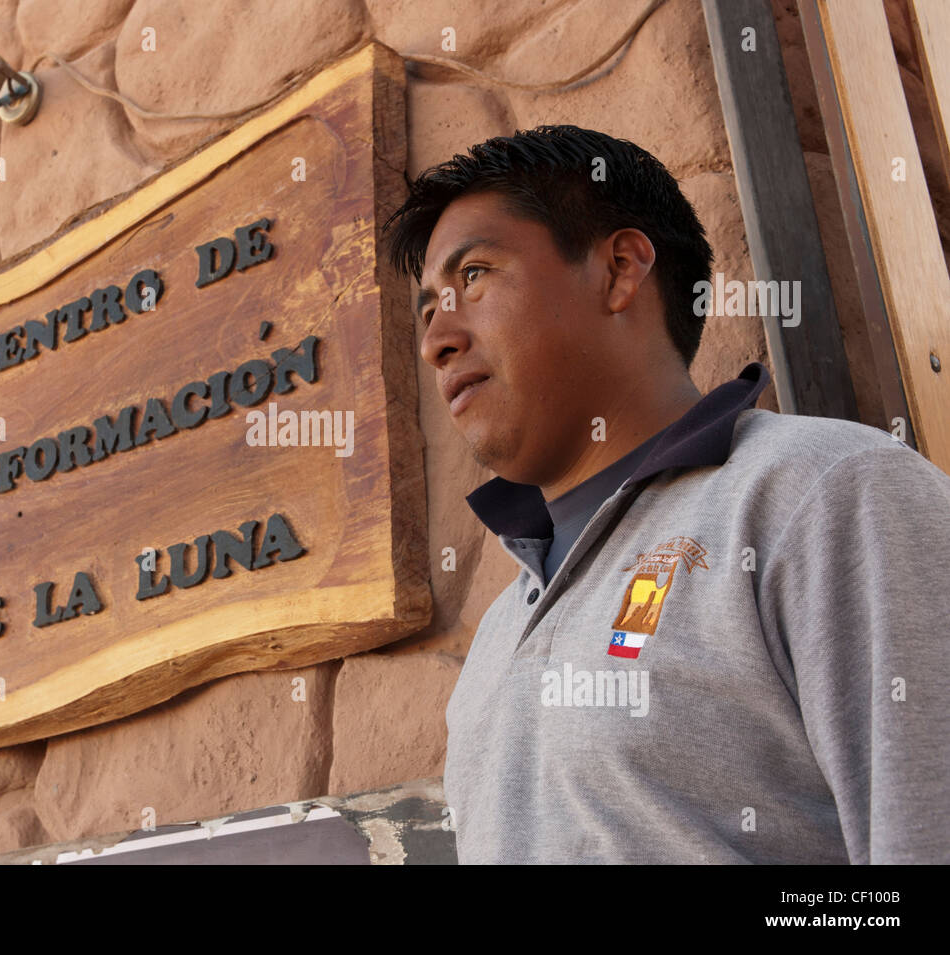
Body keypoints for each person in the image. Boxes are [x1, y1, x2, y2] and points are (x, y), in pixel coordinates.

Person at [386, 125, 950, 863]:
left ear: (620, 269)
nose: (437, 339)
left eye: (477, 276)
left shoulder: (824, 496)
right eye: (429, 309)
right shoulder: (500, 625)